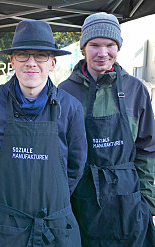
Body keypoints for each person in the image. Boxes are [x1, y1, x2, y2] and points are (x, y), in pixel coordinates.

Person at [0, 20, 87, 246]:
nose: (31, 63)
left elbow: (76, 166)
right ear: (12, 61)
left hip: (53, 228)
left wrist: (53, 200)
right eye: (22, 55)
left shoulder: (71, 107)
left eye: (41, 55)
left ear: (53, 63)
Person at [59, 12, 155, 246]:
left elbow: (147, 149)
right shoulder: (64, 92)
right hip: (81, 200)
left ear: (118, 47)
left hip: (128, 202)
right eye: (94, 45)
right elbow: (59, 154)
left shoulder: (135, 90)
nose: (103, 53)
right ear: (83, 48)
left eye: (110, 45)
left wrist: (147, 201)